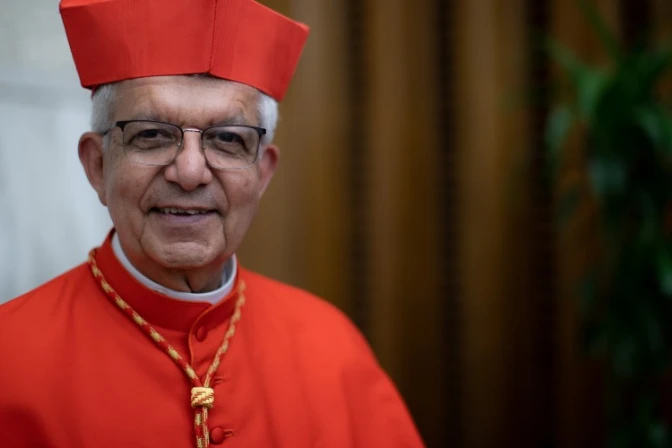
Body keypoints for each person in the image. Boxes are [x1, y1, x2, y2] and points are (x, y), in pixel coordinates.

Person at [0, 1, 425, 447]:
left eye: (227, 139)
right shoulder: (11, 358)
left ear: (263, 174)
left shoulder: (331, 347)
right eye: (152, 134)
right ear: (97, 165)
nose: (189, 172)